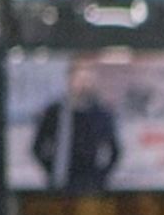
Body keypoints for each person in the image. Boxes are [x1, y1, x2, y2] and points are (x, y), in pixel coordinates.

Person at [27, 56, 122, 192]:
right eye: (80, 79)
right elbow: (37, 147)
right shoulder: (54, 112)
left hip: (91, 185)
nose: (84, 84)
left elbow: (115, 151)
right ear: (70, 80)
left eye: (88, 80)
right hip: (61, 183)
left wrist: (101, 177)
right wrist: (51, 171)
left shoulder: (102, 114)